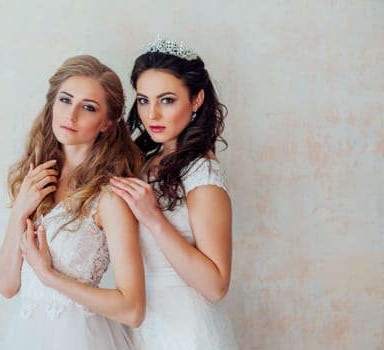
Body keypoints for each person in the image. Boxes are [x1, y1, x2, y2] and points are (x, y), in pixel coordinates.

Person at [0, 55, 145, 350]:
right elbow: (6, 286)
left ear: (106, 123)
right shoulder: (36, 180)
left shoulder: (110, 198)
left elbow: (133, 309)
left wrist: (49, 276)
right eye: (65, 100)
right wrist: (20, 212)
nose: (71, 115)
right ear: (52, 102)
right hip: (28, 335)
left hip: (80, 338)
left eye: (88, 107)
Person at [110, 38, 238, 349]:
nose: (152, 114)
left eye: (166, 100)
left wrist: (154, 219)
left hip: (184, 330)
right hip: (139, 321)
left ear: (196, 100)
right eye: (143, 100)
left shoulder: (202, 175)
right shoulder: (141, 162)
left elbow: (216, 285)